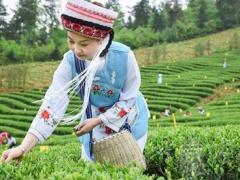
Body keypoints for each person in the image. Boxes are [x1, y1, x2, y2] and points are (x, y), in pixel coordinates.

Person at [1, 0, 149, 163]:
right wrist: (23, 148)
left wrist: (99, 120)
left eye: (84, 44)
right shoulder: (71, 62)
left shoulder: (124, 57)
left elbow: (129, 98)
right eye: (71, 41)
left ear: (101, 39)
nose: (76, 49)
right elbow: (52, 104)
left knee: (129, 167)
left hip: (128, 118)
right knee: (92, 168)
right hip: (94, 122)